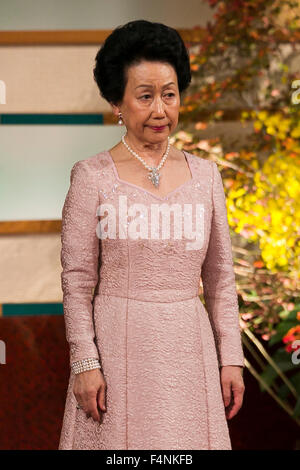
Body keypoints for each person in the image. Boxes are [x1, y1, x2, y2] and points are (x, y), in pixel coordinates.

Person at [58, 19, 245, 450]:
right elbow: (77, 281)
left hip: (188, 347)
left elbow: (220, 277)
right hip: (117, 350)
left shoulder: (205, 175)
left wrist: (230, 357)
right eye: (145, 97)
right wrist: (85, 361)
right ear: (117, 104)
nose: (160, 110)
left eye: (169, 94)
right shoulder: (91, 176)